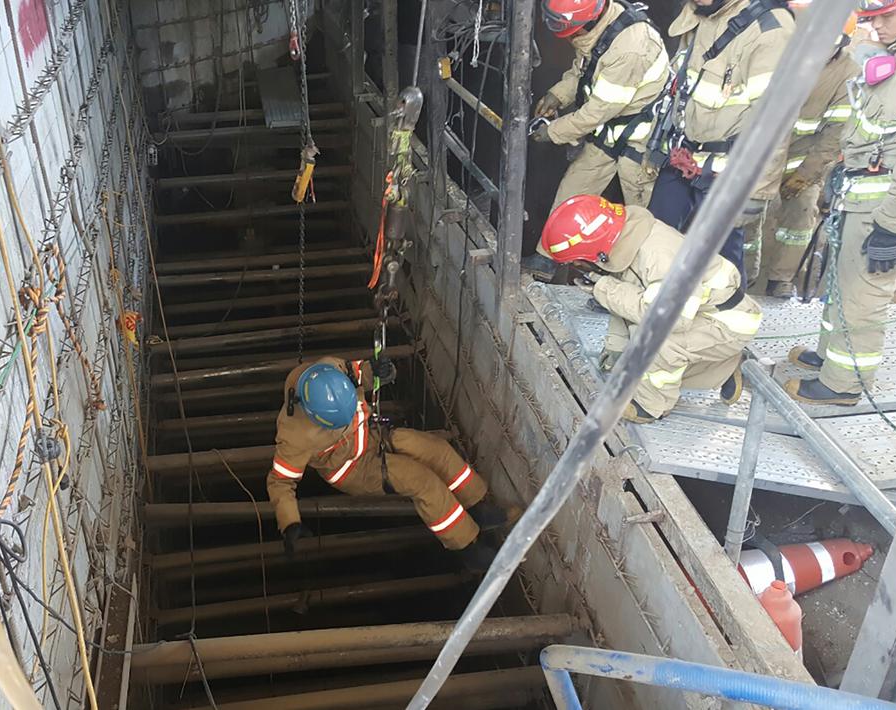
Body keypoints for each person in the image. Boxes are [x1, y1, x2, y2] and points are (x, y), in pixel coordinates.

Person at [785, 0, 896, 405]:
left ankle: (843, 385)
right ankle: (831, 358)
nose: (876, 26)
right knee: (843, 284)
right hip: (862, 194)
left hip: (886, 206)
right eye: (869, 19)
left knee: (865, 294)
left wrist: (891, 228)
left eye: (886, 16)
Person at [267, 356, 507, 568]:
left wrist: (377, 370)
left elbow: (359, 372)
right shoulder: (294, 436)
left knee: (434, 448)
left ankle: (475, 505)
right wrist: (289, 522)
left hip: (370, 436)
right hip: (351, 467)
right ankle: (467, 546)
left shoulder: (330, 368)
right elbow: (280, 481)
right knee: (421, 480)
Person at [542, 195, 763, 422]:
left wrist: (605, 288)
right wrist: (616, 350)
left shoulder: (659, 256)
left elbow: (667, 320)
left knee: (654, 342)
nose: (577, 267)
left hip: (727, 322)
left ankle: (653, 406)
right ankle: (723, 367)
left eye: (577, 261)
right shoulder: (625, 239)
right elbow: (630, 300)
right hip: (701, 315)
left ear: (595, 250)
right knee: (637, 359)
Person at [646, 0, 795, 282]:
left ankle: (730, 313)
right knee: (654, 231)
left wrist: (757, 191)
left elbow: (775, 121)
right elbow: (682, 89)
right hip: (684, 154)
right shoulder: (703, 14)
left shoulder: (770, 30)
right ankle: (641, 294)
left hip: (726, 169)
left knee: (721, 259)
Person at [756, 8, 859, 298]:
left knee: (800, 217)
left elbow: (834, 134)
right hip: (760, 157)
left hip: (803, 162)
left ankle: (781, 279)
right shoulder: (781, 54)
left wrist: (805, 175)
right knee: (746, 220)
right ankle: (744, 274)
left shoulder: (847, 74)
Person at [533, 0, 670, 210]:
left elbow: (596, 113)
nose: (571, 39)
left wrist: (552, 131)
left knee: (643, 220)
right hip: (607, 134)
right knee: (566, 206)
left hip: (640, 145)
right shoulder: (599, 29)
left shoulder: (630, 49)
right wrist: (558, 94)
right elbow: (585, 71)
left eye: (573, 33)